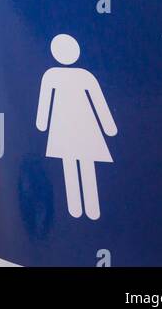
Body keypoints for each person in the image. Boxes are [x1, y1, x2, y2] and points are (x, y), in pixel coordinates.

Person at [35, 33, 117, 220]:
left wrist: (42, 124)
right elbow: (98, 103)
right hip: (81, 126)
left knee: (72, 164)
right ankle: (87, 209)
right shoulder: (82, 76)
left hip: (63, 127)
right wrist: (108, 128)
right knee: (81, 164)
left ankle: (79, 209)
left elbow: (45, 104)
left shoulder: (53, 75)